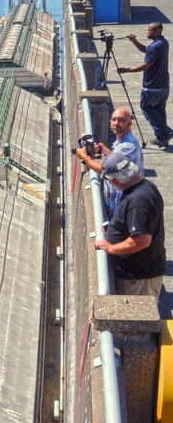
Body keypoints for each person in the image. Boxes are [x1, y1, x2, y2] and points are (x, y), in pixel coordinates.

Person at [94, 154, 165, 299]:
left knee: (138, 320)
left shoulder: (137, 201)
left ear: (115, 180)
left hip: (139, 277)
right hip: (137, 273)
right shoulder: (145, 186)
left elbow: (142, 240)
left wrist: (111, 248)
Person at [74, 107, 143, 215]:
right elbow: (119, 164)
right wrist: (107, 153)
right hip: (117, 200)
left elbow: (104, 170)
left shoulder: (128, 146)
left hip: (121, 204)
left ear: (129, 123)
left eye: (121, 120)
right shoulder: (121, 142)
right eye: (113, 120)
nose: (116, 123)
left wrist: (85, 158)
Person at [118, 22, 173, 147]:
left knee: (146, 108)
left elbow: (146, 65)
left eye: (150, 30)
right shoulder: (163, 43)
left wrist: (127, 69)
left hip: (152, 86)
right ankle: (162, 139)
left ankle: (166, 132)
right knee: (159, 112)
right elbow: (147, 51)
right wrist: (134, 41)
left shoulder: (155, 46)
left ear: (158, 31)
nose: (148, 32)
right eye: (148, 30)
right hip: (163, 86)